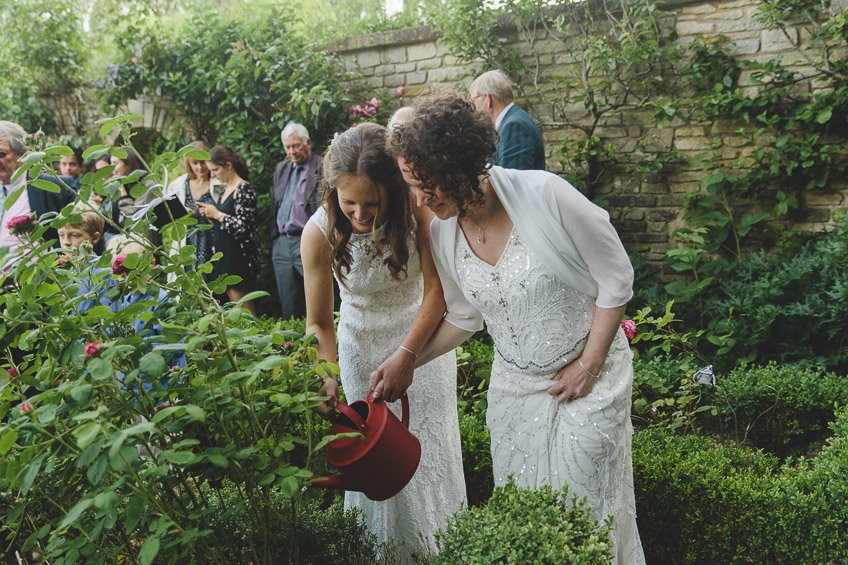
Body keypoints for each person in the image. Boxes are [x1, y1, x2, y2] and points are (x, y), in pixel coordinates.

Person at [387, 93, 645, 564]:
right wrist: (409, 359)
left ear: (461, 166)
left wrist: (589, 366)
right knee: (525, 520)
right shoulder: (443, 232)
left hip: (589, 385)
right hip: (512, 395)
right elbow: (466, 316)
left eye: (429, 186)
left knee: (586, 516)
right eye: (412, 187)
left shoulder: (547, 195)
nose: (420, 200)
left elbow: (616, 278)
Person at [301, 123, 465, 560]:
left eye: (370, 203)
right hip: (360, 351)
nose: (358, 214)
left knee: (427, 457)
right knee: (375, 463)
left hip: (421, 346)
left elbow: (437, 291)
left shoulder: (420, 216)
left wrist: (409, 354)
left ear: (393, 187)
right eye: (347, 201)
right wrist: (325, 373)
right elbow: (318, 324)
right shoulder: (318, 234)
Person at [0, 120, 75, 263]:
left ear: (23, 155)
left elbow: (91, 222)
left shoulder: (49, 186)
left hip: (42, 280)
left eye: (1, 154)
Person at [196, 145, 259, 315]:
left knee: (245, 312)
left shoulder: (244, 189)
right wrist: (209, 214)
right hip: (224, 258)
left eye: (215, 170)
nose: (213, 175)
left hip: (238, 259)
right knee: (233, 313)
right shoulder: (225, 190)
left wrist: (217, 214)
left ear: (228, 165)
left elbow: (243, 227)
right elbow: (224, 221)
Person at [270, 122, 322, 320]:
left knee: (317, 296)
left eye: (296, 146)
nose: (291, 152)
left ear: (307, 142)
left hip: (308, 239)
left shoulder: (321, 166)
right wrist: (275, 239)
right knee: (289, 303)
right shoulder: (281, 169)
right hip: (282, 243)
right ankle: (293, 344)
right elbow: (275, 205)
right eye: (287, 147)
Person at [164, 141, 224, 271]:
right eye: (195, 163)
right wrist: (181, 212)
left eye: (203, 162)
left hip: (212, 240)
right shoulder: (179, 185)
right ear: (189, 164)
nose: (200, 167)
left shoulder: (219, 183)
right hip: (188, 241)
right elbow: (168, 213)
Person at [469, 70, 546, 171]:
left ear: (487, 99)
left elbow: (512, 181)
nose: (474, 108)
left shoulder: (514, 126)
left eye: (473, 100)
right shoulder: (512, 120)